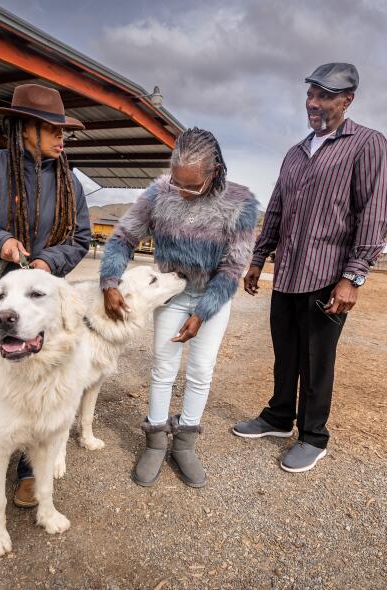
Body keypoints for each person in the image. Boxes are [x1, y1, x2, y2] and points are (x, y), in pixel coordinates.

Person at [232, 63, 387, 472]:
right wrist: (258, 258)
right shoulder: (295, 153)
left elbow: (373, 213)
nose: (313, 103)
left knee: (317, 360)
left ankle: (313, 435)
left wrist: (353, 276)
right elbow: (278, 209)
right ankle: (279, 417)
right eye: (310, 95)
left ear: (347, 100)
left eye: (324, 96)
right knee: (285, 354)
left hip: (328, 275)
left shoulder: (367, 144)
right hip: (288, 273)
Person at [0, 84, 91, 505]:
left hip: (41, 296)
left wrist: (49, 262)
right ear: (25, 127)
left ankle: (28, 470)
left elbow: (79, 238)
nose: (63, 138)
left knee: (40, 380)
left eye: (64, 131)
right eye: (52, 129)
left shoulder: (69, 182)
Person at [100, 128, 259, 488]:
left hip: (211, 298)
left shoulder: (241, 204)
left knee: (201, 370)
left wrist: (203, 313)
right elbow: (123, 237)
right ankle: (155, 440)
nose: (182, 192)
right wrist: (110, 282)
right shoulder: (159, 193)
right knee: (163, 366)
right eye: (177, 182)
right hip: (170, 293)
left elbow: (233, 268)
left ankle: (185, 442)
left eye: (192, 186)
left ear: (215, 171)